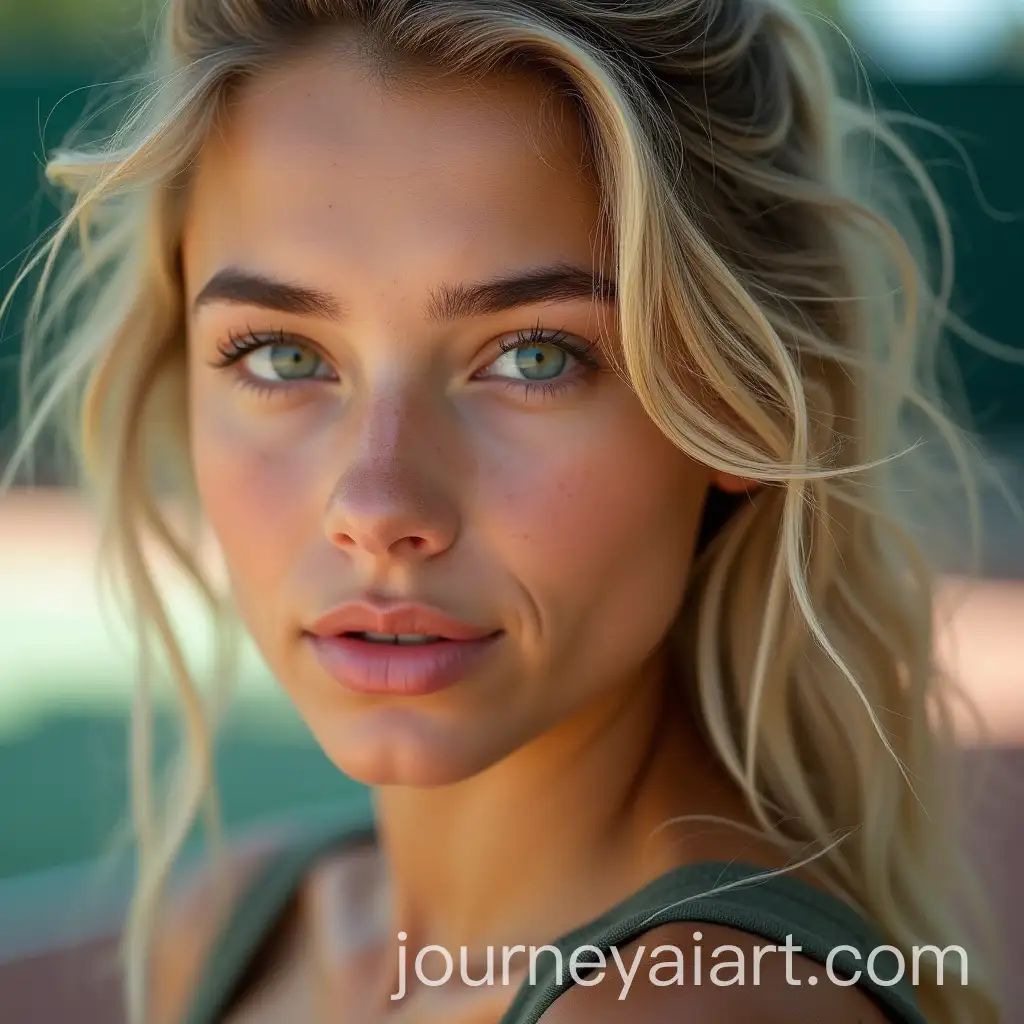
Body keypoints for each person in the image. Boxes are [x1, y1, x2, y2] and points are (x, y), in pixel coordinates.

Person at [2, 1, 1006, 1021]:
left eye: (534, 356)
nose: (378, 506)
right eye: (282, 355)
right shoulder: (227, 930)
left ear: (737, 400)